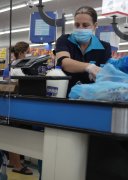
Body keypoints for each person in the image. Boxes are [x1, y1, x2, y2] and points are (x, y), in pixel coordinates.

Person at [56, 6, 128, 180]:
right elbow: (65, 63)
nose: (80, 28)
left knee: (92, 152)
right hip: (66, 102)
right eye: (77, 24)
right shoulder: (65, 40)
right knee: (64, 148)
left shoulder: (104, 46)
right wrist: (89, 66)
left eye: (85, 25)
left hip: (93, 105)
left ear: (95, 26)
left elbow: (106, 74)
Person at [3, 41, 33, 175]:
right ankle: (17, 165)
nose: (29, 54)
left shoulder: (10, 66)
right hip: (15, 104)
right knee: (15, 133)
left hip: (13, 103)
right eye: (28, 51)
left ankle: (12, 161)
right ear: (21, 53)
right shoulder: (18, 66)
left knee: (13, 133)